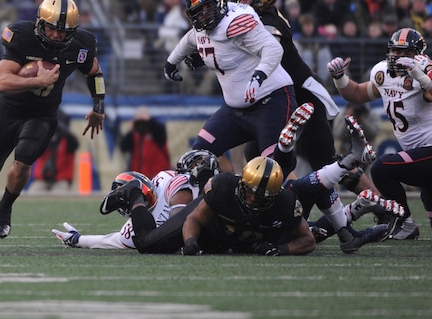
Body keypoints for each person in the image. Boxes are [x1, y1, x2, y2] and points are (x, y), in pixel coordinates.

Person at [100, 103, 388, 256]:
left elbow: (304, 239)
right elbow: (190, 218)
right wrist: (189, 243)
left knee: (299, 196)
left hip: (240, 230)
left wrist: (282, 250)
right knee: (147, 243)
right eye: (249, 192)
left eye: (260, 195)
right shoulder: (216, 187)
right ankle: (347, 206)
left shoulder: (273, 197)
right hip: (217, 230)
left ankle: (342, 184)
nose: (252, 198)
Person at [0, 0, 106, 251]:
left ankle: (5, 205)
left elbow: (94, 72)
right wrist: (37, 81)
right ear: (40, 23)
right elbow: (1, 83)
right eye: (50, 28)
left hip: (42, 114)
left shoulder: (82, 44)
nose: (55, 36)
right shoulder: (22, 35)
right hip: (9, 111)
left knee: (24, 159)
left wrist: (98, 106)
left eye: (62, 32)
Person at [230, 0, 376, 193]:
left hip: (302, 96)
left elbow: (265, 56)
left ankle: (380, 202)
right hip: (278, 97)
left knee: (324, 161)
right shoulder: (249, 17)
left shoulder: (268, 23)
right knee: (259, 153)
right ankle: (293, 201)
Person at [163, 0, 295, 170]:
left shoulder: (235, 22)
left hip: (270, 101)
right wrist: (171, 62)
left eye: (208, 7)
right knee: (200, 155)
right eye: (198, 11)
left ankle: (307, 196)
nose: (204, 15)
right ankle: (228, 190)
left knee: (272, 168)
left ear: (219, 2)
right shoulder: (202, 28)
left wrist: (259, 75)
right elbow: (190, 39)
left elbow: (273, 48)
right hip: (234, 111)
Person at [327, 27, 432, 240]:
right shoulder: (382, 73)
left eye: (406, 53)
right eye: (396, 52)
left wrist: (420, 76)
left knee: (382, 168)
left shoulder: (426, 70)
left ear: (419, 55)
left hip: (428, 150)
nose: (399, 57)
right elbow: (356, 93)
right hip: (418, 154)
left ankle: (405, 222)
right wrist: (340, 78)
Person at [51, 149, 220, 250]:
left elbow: (186, 202)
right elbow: (108, 240)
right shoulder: (133, 227)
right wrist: (77, 240)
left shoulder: (168, 178)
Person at [28, 109, 79, 193]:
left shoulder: (67, 140)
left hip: (61, 179)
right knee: (32, 193)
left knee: (60, 193)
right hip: (42, 178)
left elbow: (74, 143)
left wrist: (61, 128)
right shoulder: (43, 137)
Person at [118, 106, 171, 178]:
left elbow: (161, 136)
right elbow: (123, 147)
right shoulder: (135, 135)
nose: (141, 125)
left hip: (157, 175)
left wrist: (148, 120)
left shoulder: (156, 130)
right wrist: (131, 130)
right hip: (140, 176)